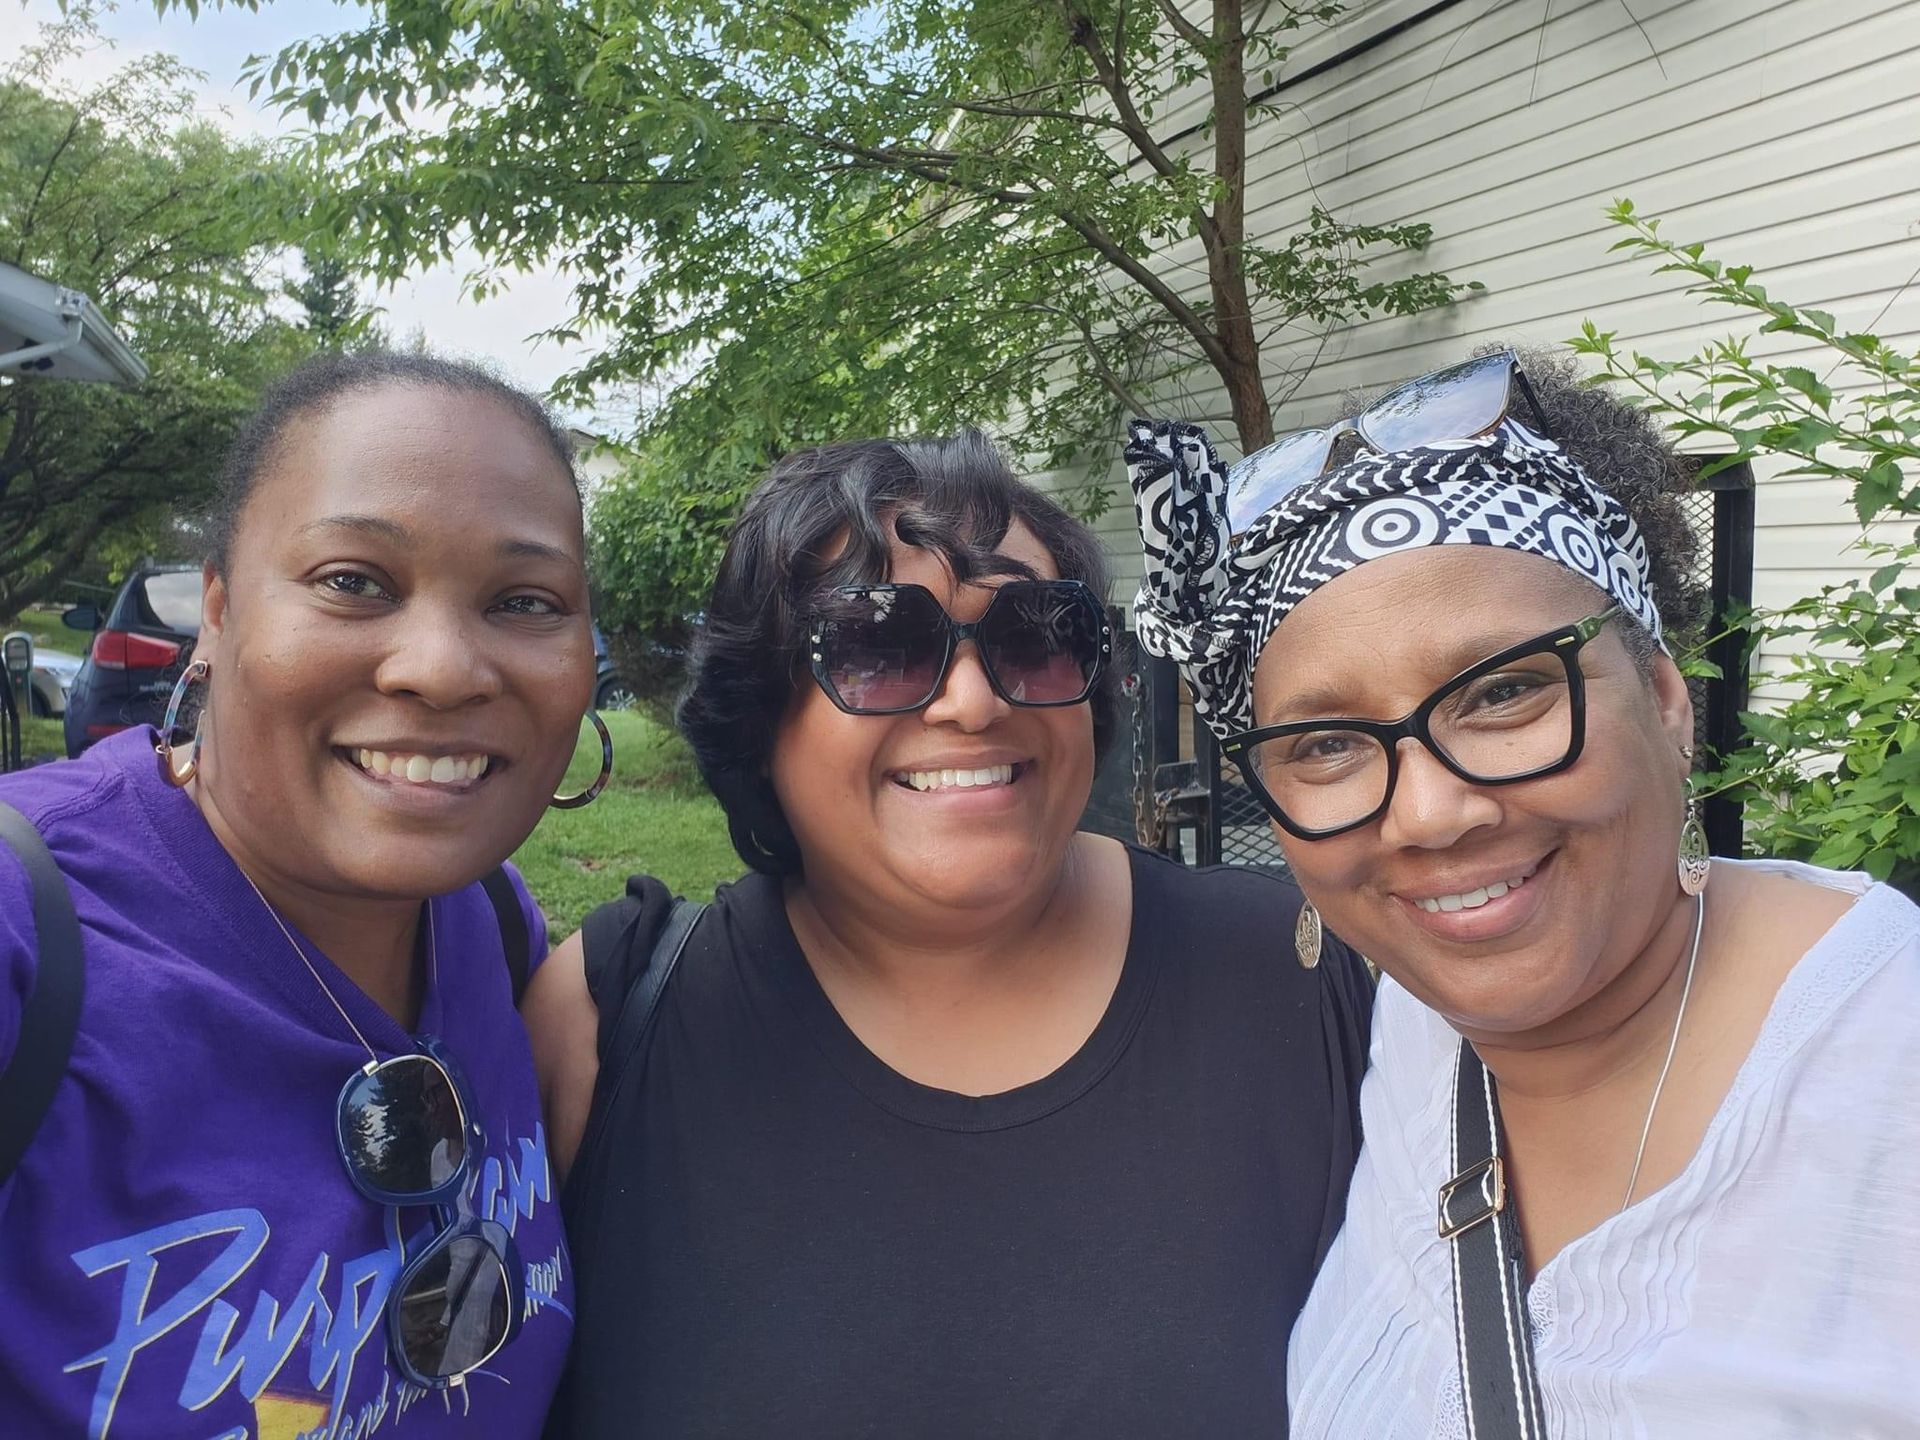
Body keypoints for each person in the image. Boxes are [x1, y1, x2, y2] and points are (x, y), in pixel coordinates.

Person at [1125, 347, 1920, 1437]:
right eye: (1324, 744)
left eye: (1503, 692)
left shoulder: (1885, 1073)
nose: (1429, 814)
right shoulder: (1409, 1028)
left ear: (1667, 701)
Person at [524, 431, 1374, 1438]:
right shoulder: (602, 1024)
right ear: (761, 710)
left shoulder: (1316, 977)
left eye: (1033, 634)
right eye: (879, 645)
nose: (973, 702)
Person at [0, 353, 602, 1436]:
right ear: (218, 615)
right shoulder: (26, 931)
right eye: (353, 581)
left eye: (525, 600)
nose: (442, 667)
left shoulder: (495, 926)